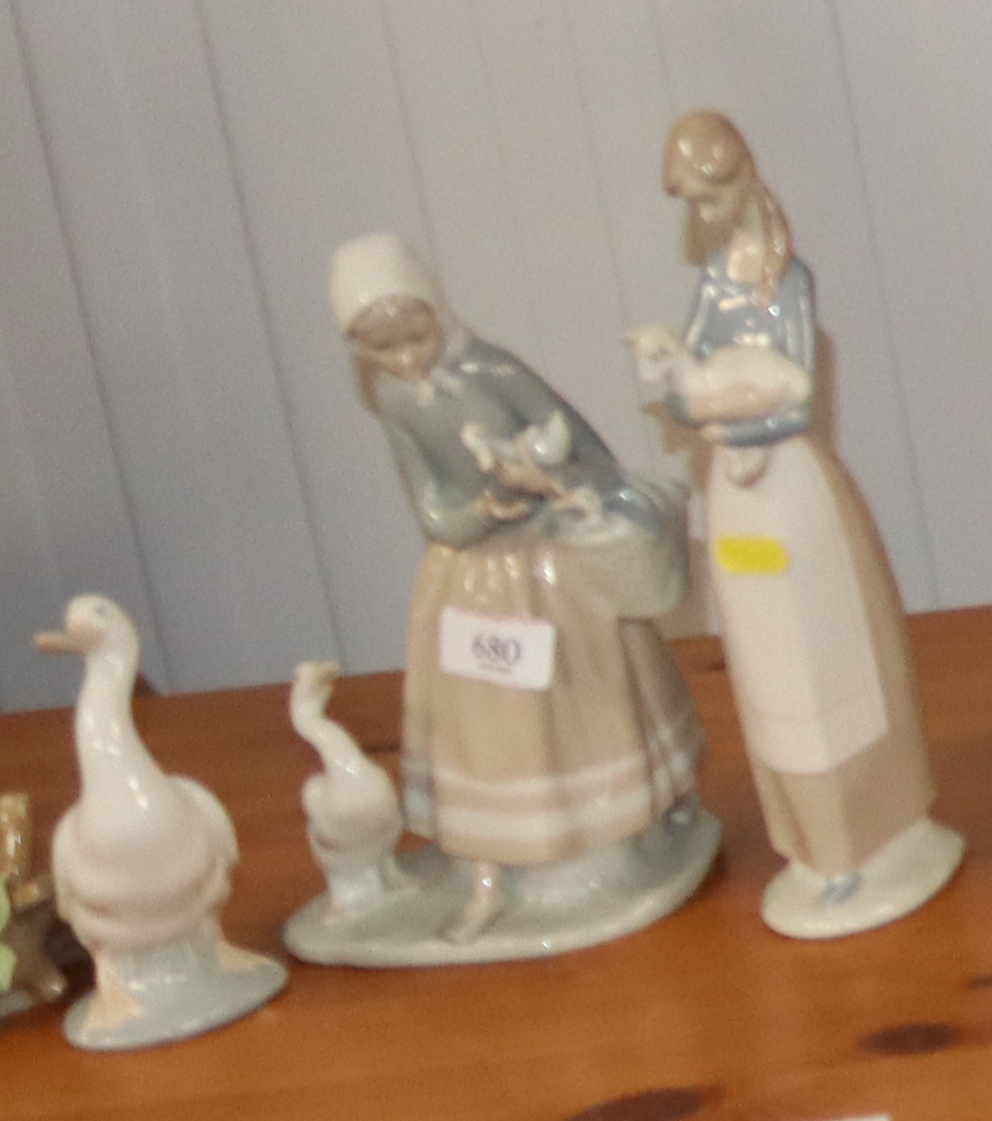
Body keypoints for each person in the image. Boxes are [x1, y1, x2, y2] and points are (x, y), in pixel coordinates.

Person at [313, 233, 715, 958]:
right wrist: (479, 513)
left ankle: (623, 830)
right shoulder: (391, 393)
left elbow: (591, 454)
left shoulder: (493, 369)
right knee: (485, 724)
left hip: (549, 560)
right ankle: (494, 869)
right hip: (475, 571)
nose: (405, 361)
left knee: (580, 689)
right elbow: (430, 504)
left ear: (439, 312)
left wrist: (546, 476)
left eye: (416, 337)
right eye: (382, 350)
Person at [641, 113, 957, 938]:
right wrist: (684, 387)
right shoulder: (712, 286)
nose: (704, 214)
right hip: (738, 499)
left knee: (828, 660)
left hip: (788, 494)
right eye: (692, 200)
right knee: (766, 667)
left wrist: (724, 408)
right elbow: (683, 386)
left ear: (742, 180)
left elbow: (795, 391)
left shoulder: (788, 280)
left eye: (711, 193)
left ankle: (871, 829)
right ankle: (810, 846)